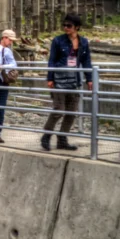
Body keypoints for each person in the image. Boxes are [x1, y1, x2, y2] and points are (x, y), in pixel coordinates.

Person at [42, 13, 92, 151]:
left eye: (69, 26)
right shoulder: (58, 41)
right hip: (59, 80)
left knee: (71, 112)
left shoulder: (84, 42)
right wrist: (50, 78)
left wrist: (89, 79)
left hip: (74, 81)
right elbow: (52, 60)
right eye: (64, 25)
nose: (66, 28)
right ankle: (46, 136)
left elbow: (86, 61)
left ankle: (62, 140)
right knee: (58, 109)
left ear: (77, 27)